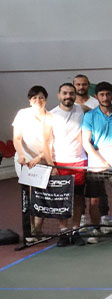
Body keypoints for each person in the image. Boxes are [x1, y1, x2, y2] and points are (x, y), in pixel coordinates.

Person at [81, 81, 112, 244]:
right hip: (96, 164)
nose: (105, 97)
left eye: (108, 94)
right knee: (94, 200)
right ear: (96, 96)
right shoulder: (89, 116)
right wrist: (100, 160)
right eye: (102, 94)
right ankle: (96, 230)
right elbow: (86, 142)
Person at [13, 86, 56, 241]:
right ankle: (29, 230)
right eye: (34, 98)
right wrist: (22, 156)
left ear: (46, 100)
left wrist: (39, 158)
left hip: (42, 160)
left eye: (41, 97)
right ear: (30, 101)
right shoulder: (22, 114)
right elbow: (17, 138)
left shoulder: (50, 117)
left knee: (41, 195)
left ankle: (38, 230)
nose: (38, 100)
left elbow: (49, 142)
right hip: (24, 161)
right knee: (30, 194)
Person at [49, 83, 88, 246]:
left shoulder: (82, 109)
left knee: (78, 198)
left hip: (79, 161)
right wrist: (51, 165)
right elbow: (47, 141)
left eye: (71, 93)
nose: (68, 96)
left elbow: (99, 110)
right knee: (61, 199)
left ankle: (76, 230)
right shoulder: (51, 115)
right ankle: (64, 231)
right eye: (65, 93)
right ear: (59, 95)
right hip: (60, 163)